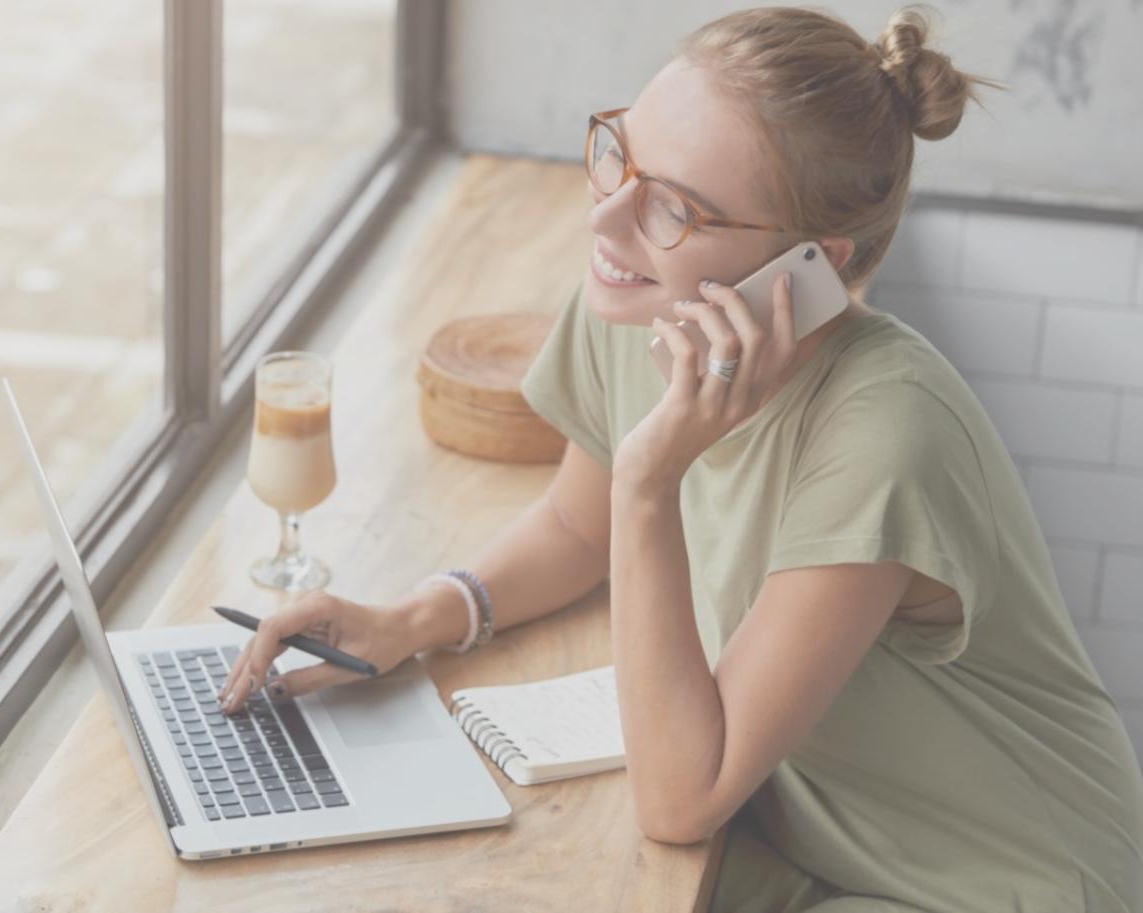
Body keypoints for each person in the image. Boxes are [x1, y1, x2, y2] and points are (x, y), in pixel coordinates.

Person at [217, 5, 1143, 910]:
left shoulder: (884, 436)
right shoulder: (646, 299)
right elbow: (577, 526)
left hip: (997, 879)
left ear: (810, 263)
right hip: (802, 838)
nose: (608, 214)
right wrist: (411, 616)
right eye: (621, 152)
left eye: (674, 207)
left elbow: (679, 797)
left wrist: (651, 477)